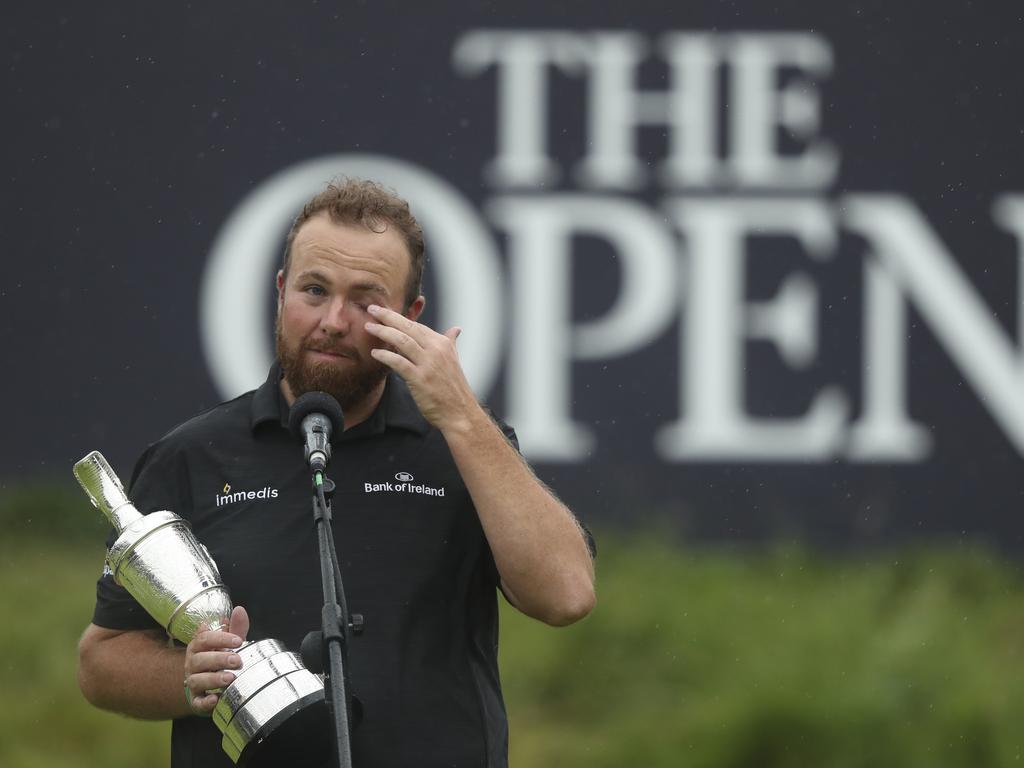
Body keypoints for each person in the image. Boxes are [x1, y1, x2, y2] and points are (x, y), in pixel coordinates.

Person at [76, 178, 596, 768]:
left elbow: (566, 595)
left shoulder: (465, 446)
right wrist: (188, 677)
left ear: (410, 315)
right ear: (280, 292)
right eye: (314, 290)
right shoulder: (192, 456)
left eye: (365, 300)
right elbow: (102, 660)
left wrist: (462, 415)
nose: (333, 320)